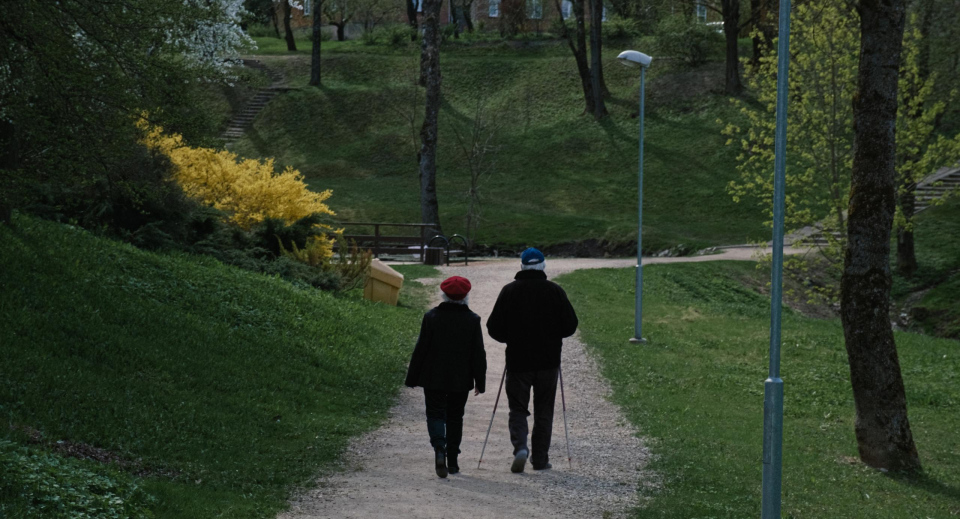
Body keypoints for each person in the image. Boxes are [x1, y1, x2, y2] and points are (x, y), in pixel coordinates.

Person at [487, 248, 578, 473]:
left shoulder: (509, 291)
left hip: (518, 361)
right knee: (544, 410)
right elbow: (570, 325)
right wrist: (554, 335)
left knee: (518, 408)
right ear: (543, 266)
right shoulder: (555, 291)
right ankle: (540, 459)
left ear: (522, 266)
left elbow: (493, 327)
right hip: (548, 361)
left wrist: (510, 338)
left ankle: (520, 447)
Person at [405, 276, 487, 478]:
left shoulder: (431, 317)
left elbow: (421, 348)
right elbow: (478, 353)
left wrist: (412, 377)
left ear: (443, 294)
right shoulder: (472, 320)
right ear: (466, 296)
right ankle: (453, 462)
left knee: (435, 414)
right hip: (460, 378)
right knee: (455, 417)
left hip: (433, 377)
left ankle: (439, 448)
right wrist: (480, 381)